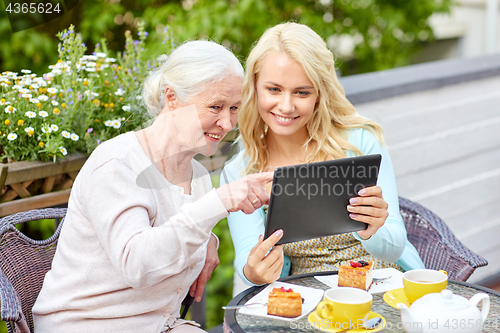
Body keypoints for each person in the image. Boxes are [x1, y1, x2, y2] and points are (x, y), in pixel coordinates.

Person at [32, 40, 273, 333]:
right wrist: (216, 205)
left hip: (156, 323)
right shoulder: (117, 163)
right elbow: (138, 264)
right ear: (171, 97)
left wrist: (208, 239)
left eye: (234, 108)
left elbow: (181, 229)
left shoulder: (195, 173)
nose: (227, 122)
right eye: (215, 106)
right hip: (86, 323)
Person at [220, 22, 425, 287]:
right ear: (255, 86)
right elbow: (248, 258)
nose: (286, 106)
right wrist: (254, 271)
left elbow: (393, 248)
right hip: (308, 297)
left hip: (381, 283)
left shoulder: (359, 142)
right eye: (274, 89)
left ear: (319, 94)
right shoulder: (242, 172)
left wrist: (374, 229)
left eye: (302, 92)